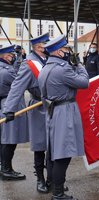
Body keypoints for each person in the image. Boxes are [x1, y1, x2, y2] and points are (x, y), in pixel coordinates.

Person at [38, 35, 89, 200]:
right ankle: (58, 193)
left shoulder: (45, 68)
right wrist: (79, 64)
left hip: (53, 112)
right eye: (66, 49)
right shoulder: (63, 68)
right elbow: (84, 82)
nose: (68, 52)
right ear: (59, 52)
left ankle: (54, 185)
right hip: (65, 111)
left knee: (53, 151)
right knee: (63, 154)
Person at [3, 33, 50, 192]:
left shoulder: (49, 60)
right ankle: (40, 179)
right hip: (38, 106)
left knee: (54, 144)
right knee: (40, 144)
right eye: (46, 44)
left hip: (53, 106)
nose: (49, 46)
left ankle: (53, 179)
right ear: (38, 46)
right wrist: (9, 109)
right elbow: (17, 87)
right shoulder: (29, 63)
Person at [0, 45, 29, 180]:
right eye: (9, 54)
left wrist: (18, 58)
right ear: (2, 55)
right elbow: (20, 79)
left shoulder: (4, 67)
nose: (11, 55)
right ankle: (6, 170)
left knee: (6, 139)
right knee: (9, 140)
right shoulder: (6, 71)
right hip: (10, 104)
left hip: (5, 104)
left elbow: (16, 72)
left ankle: (5, 167)